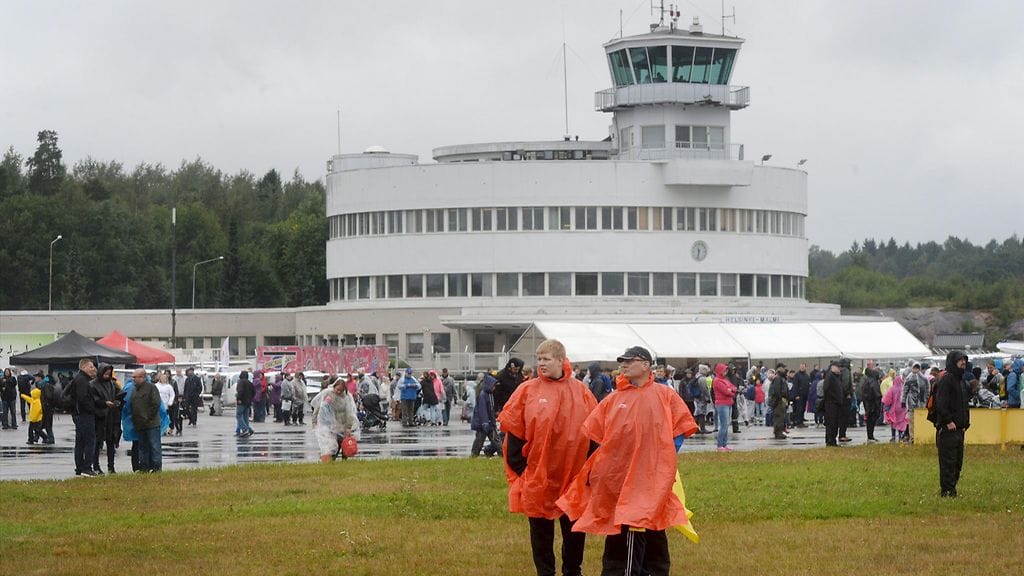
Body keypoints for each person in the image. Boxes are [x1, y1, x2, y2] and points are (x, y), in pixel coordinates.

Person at [557, 346, 697, 576]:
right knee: (624, 526)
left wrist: (663, 460)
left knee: (651, 522)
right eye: (622, 361)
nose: (623, 365)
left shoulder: (665, 395)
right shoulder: (614, 399)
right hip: (618, 479)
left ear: (645, 364)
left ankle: (651, 569)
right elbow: (596, 436)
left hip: (651, 476)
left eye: (629, 361)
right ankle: (619, 570)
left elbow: (679, 430)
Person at [498, 339, 597, 576]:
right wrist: (522, 468)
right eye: (539, 359)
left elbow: (595, 431)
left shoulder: (581, 391)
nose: (541, 364)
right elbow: (514, 431)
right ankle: (545, 572)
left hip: (572, 475)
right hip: (538, 475)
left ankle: (573, 570)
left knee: (574, 529)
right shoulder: (527, 390)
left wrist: (589, 470)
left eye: (546, 359)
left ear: (561, 361)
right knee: (541, 531)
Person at [930, 351, 970, 497]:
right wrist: (948, 421)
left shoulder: (960, 380)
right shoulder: (946, 380)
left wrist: (966, 422)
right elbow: (941, 404)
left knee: (957, 463)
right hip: (948, 429)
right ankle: (947, 492)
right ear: (953, 362)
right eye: (960, 360)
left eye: (964, 360)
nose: (963, 363)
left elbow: (963, 403)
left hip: (959, 429)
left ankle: (952, 489)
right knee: (948, 462)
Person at [315, 378, 359, 463]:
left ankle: (344, 461)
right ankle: (332, 461)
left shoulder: (346, 398)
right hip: (332, 425)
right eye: (337, 390)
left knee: (345, 443)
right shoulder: (328, 394)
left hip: (343, 423)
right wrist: (315, 421)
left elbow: (349, 413)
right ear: (334, 387)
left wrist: (349, 427)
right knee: (333, 444)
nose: (339, 392)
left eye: (341, 391)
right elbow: (320, 408)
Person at [128, 368, 163, 472]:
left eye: (135, 377)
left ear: (142, 377)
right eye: (133, 377)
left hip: (151, 424)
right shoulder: (134, 389)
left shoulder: (151, 388)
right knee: (142, 447)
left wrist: (147, 417)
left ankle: (156, 467)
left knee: (154, 446)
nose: (133, 379)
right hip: (139, 424)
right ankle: (144, 467)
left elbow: (156, 404)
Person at [68, 358, 99, 477]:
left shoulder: (80, 379)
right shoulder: (82, 380)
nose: (94, 369)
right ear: (84, 367)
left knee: (80, 442)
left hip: (79, 414)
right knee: (89, 441)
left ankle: (80, 467)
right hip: (84, 415)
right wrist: (93, 409)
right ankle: (86, 467)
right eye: (91, 367)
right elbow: (83, 399)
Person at [90, 364, 119, 474]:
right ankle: (96, 466)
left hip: (110, 416)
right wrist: (104, 403)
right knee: (97, 443)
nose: (107, 376)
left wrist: (117, 402)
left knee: (111, 441)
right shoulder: (93, 384)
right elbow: (93, 399)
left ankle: (111, 467)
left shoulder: (112, 383)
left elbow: (119, 394)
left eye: (109, 374)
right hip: (99, 416)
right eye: (105, 373)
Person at [470, 374, 499, 457]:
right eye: (494, 386)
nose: (494, 388)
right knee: (480, 441)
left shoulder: (488, 395)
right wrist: (485, 422)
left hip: (487, 423)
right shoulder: (483, 395)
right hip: (484, 423)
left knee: (493, 440)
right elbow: (483, 411)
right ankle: (474, 454)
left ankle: (474, 455)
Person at [901, 362, 928, 443]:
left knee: (920, 422)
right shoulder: (909, 378)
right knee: (911, 422)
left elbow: (927, 390)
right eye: (914, 368)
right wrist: (903, 400)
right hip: (912, 404)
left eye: (917, 368)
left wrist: (926, 400)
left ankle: (920, 437)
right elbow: (905, 390)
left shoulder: (924, 379)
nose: (916, 370)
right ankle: (912, 438)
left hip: (921, 405)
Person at [712, 363, 736, 451]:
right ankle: (719, 445)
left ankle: (724, 444)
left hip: (728, 403)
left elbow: (734, 388)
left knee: (726, 424)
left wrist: (731, 390)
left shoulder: (725, 379)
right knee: (723, 425)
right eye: (724, 370)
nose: (726, 372)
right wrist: (731, 391)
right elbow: (726, 391)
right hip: (722, 404)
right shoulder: (717, 380)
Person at [882, 370, 908, 444]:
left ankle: (893, 436)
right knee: (902, 423)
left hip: (894, 409)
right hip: (903, 409)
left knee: (893, 422)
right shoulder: (903, 389)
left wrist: (887, 408)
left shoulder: (892, 389)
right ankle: (901, 437)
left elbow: (887, 399)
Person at [822, 360, 845, 447]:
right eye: (838, 367)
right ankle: (830, 441)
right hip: (831, 404)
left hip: (836, 403)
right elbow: (826, 389)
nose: (839, 369)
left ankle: (832, 440)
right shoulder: (830, 376)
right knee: (831, 423)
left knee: (835, 423)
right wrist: (834, 398)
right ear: (833, 367)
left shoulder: (836, 377)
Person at [860, 362, 883, 442]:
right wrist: (878, 405)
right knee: (871, 421)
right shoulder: (874, 382)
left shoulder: (866, 381)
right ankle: (870, 436)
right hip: (873, 404)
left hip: (868, 404)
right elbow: (877, 394)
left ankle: (870, 436)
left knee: (869, 421)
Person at [767, 363, 790, 439]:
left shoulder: (781, 378)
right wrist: (780, 399)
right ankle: (778, 433)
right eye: (783, 368)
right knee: (779, 417)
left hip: (781, 400)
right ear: (779, 368)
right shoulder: (778, 378)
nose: (784, 369)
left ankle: (779, 432)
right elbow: (777, 390)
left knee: (780, 417)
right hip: (779, 401)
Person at [235, 371, 255, 438]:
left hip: (241, 401)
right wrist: (251, 399)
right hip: (248, 402)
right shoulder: (250, 383)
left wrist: (238, 398)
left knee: (239, 415)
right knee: (245, 417)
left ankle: (245, 429)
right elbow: (254, 392)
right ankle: (248, 429)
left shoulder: (240, 382)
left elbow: (240, 391)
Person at [38, 372, 56, 443]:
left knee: (47, 425)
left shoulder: (46, 386)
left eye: (37, 377)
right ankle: (46, 438)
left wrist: (45, 403)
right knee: (42, 425)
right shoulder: (45, 385)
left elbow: (49, 396)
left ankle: (50, 439)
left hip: (47, 408)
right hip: (46, 408)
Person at [791, 363, 810, 427]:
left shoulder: (806, 375)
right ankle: (798, 422)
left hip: (805, 395)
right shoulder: (797, 375)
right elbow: (795, 385)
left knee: (803, 409)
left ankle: (801, 421)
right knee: (799, 409)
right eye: (801, 367)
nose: (802, 368)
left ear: (805, 367)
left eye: (803, 367)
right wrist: (796, 395)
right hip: (799, 396)